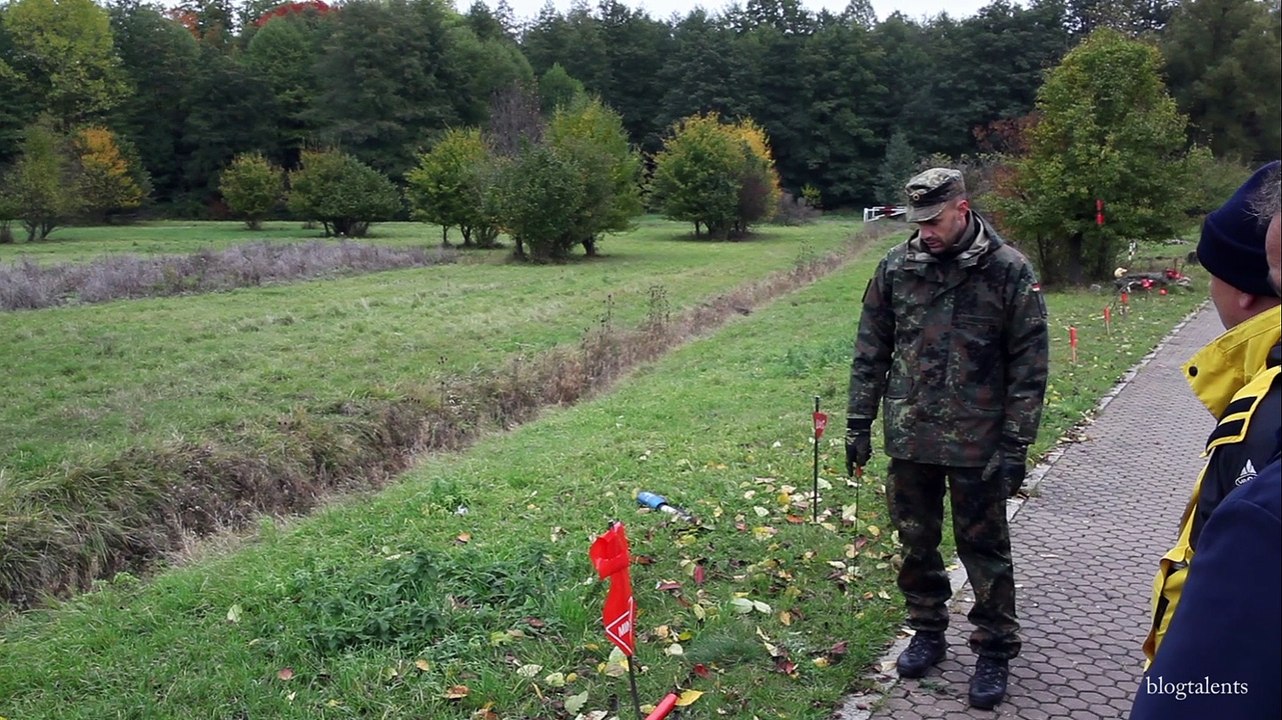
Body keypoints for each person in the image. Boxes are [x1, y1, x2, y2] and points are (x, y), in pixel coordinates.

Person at [845, 168, 1049, 709]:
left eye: (934, 221)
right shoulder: (897, 267)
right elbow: (871, 350)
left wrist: (1016, 445)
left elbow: (1029, 365)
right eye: (918, 222)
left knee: (984, 547)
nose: (925, 232)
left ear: (962, 208)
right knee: (915, 539)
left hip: (979, 440)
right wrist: (858, 422)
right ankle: (927, 630)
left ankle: (994, 648)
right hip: (911, 433)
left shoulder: (1007, 270)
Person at [1143, 161, 1282, 664]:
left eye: (1212, 274)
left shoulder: (1263, 417)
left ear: (1243, 289)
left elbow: (1218, 599)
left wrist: (1173, 687)